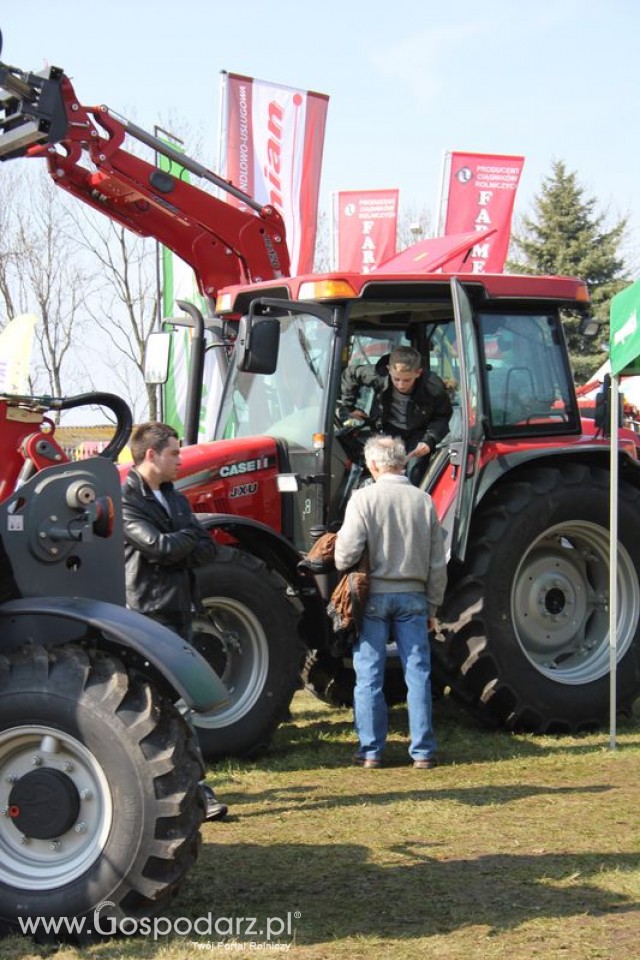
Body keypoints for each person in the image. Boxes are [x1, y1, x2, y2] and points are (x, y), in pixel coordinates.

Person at [121, 421, 228, 821]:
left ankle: (192, 790)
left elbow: (206, 549)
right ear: (151, 455)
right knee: (156, 705)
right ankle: (190, 791)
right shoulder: (125, 498)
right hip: (145, 614)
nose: (181, 460)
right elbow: (157, 547)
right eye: (174, 453)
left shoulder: (173, 497)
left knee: (180, 703)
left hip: (179, 611)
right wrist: (185, 537)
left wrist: (180, 540)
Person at [334, 434, 447, 769]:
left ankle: (371, 751)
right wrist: (433, 605)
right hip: (414, 595)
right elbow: (437, 561)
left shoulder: (362, 498)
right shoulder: (423, 500)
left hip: (373, 597)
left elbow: (345, 555)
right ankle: (423, 751)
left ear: (372, 464)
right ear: (403, 461)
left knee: (369, 674)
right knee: (418, 673)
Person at [338, 345, 453, 485]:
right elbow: (350, 374)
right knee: (384, 469)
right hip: (389, 428)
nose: (401, 385)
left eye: (406, 380)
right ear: (388, 370)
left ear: (418, 373)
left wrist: (430, 440)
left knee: (414, 470)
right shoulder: (378, 375)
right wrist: (350, 406)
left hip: (419, 431)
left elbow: (442, 416)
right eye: (396, 379)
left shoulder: (433, 386)